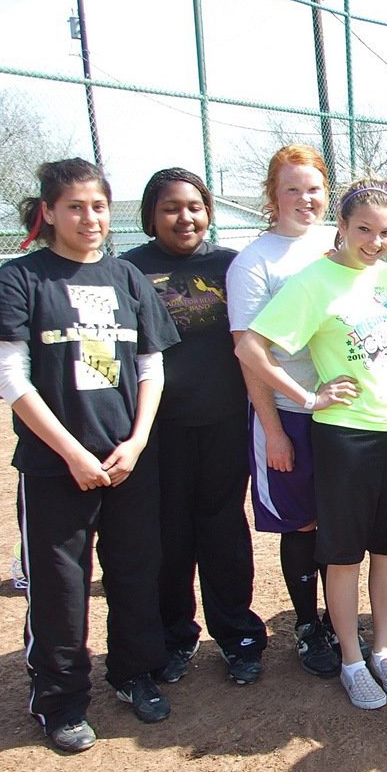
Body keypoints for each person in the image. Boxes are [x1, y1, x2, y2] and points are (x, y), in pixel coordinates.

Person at [0, 158, 180, 753]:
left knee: (136, 570)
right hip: (55, 466)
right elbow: (11, 378)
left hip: (126, 460)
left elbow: (150, 366)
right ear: (48, 213)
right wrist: (69, 452)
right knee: (61, 586)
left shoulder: (127, 277)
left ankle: (134, 673)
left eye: (97, 206)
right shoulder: (22, 279)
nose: (89, 218)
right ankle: (59, 699)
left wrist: (137, 441)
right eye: (74, 207)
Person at [236, 179, 387, 710]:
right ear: (340, 227)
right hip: (346, 436)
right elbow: (251, 346)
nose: (374, 240)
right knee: (343, 554)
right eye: (363, 229)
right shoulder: (313, 280)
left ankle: (383, 650)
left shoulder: (385, 274)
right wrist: (305, 395)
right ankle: (350, 659)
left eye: (385, 232)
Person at [122, 168, 267, 685]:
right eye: (170, 208)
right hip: (158, 429)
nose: (185, 218)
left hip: (224, 422)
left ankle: (237, 634)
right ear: (150, 216)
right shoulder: (128, 270)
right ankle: (174, 635)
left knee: (224, 528)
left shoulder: (230, 266)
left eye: (195, 206)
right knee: (169, 535)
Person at [227, 144, 359, 679]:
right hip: (291, 412)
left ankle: (340, 619)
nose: (305, 199)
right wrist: (276, 429)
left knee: (340, 523)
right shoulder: (254, 262)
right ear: (272, 195)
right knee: (301, 525)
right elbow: (248, 355)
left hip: (346, 415)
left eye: (314, 189)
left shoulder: (340, 248)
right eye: (292, 189)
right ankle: (309, 626)